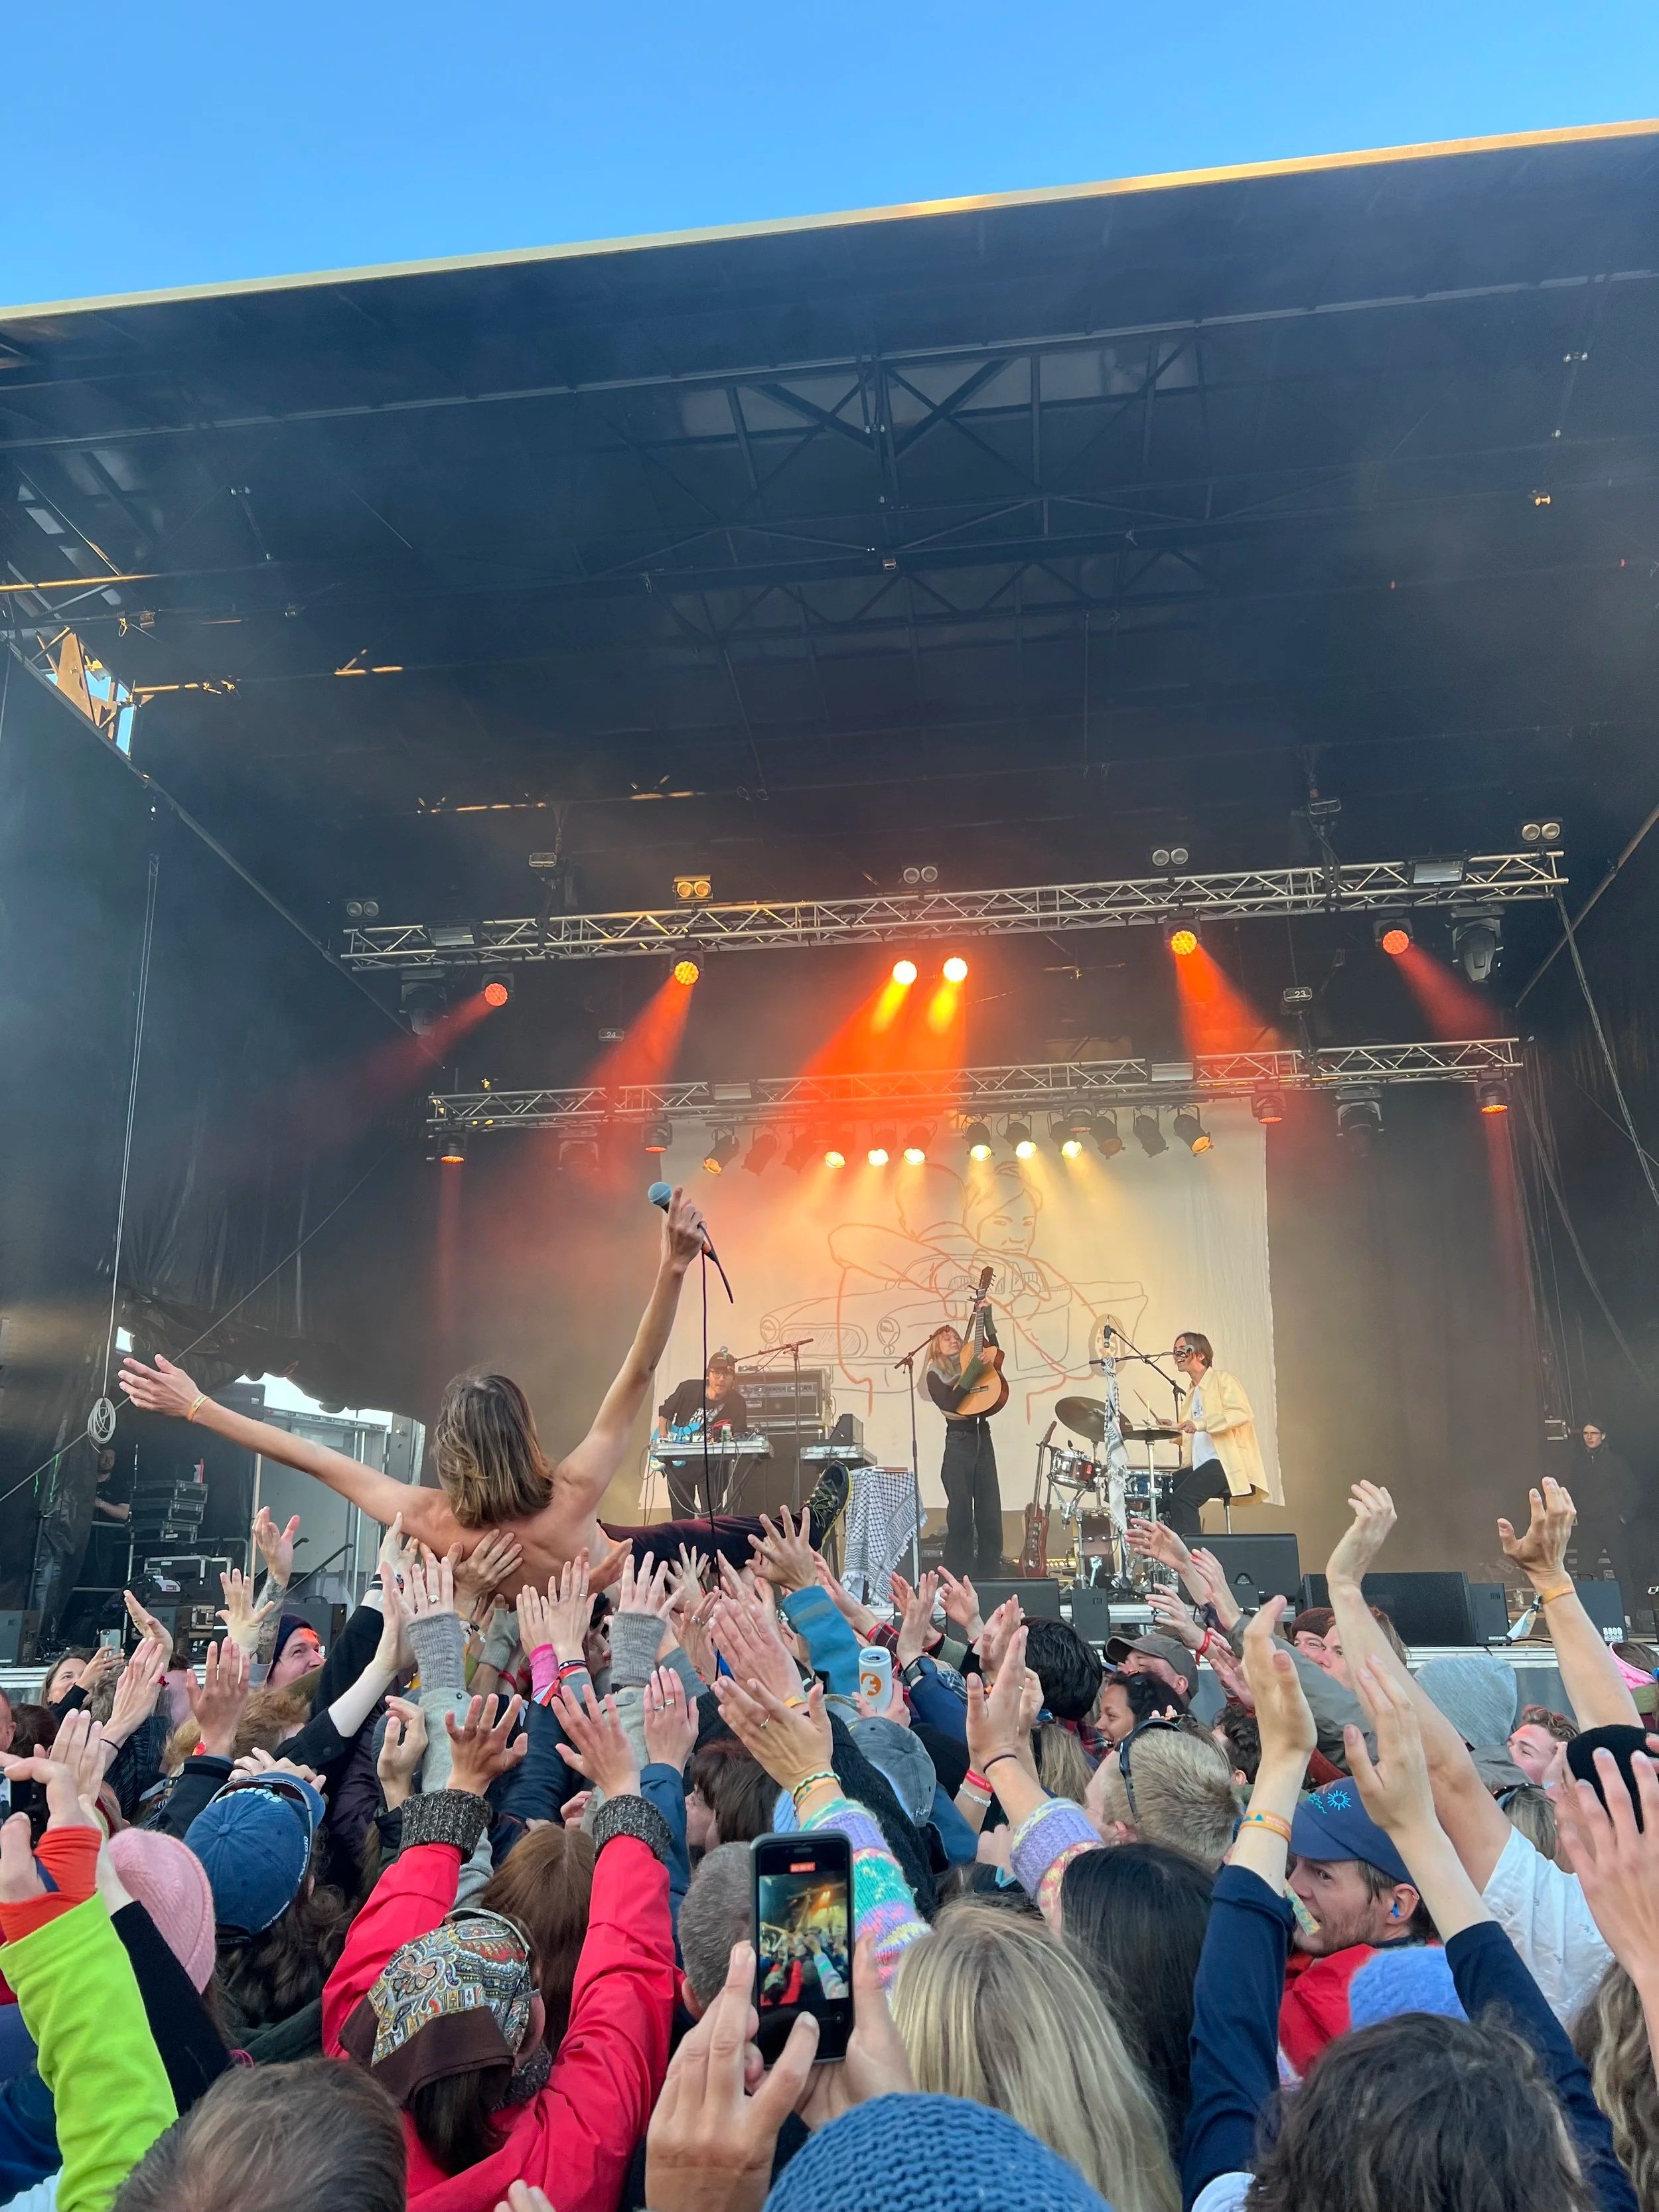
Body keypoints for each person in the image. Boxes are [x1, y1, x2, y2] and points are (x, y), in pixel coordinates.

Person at [118, 1191, 848, 1590]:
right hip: (598, 1578)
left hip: (537, 1634)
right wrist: (672, 1269)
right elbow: (638, 1371)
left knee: (690, 1536)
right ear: (522, 1432)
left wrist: (195, 1405)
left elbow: (310, 1455)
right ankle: (801, 1529)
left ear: (452, 1451)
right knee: (700, 1537)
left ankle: (794, 1529)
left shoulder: (431, 1518)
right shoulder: (571, 1492)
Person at [924, 1311, 1004, 1580]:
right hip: (958, 1441)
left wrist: (987, 1316)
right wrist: (972, 1372)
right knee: (960, 1519)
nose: (953, 1340)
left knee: (990, 1515)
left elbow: (995, 1349)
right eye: (946, 1338)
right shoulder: (934, 1373)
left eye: (956, 1336)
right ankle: (956, 1580)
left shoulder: (972, 1362)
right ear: (936, 1347)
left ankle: (990, 1580)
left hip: (983, 1436)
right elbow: (951, 1403)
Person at [1169, 1331, 1267, 1537]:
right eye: (1174, 1351)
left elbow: (1241, 1413)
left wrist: (1199, 1424)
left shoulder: (1223, 1380)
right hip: (1202, 1464)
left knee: (1183, 1499)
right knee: (1166, 1493)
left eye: (1183, 1350)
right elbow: (1192, 1432)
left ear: (1201, 1355)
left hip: (1224, 1462)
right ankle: (1169, 1552)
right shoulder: (1192, 1392)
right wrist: (1172, 1427)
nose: (1177, 1355)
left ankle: (1191, 1561)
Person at [1572, 1422, 1640, 1613]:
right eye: (1586, 1433)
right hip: (1588, 1525)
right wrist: (1575, 1515)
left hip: (1612, 1523)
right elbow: (1571, 1491)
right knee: (1584, 1572)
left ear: (1603, 1435)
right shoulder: (1577, 1465)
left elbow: (1633, 1491)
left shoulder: (1616, 1462)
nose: (1589, 1437)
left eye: (1594, 1433)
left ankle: (1628, 1616)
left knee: (1622, 1571)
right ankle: (1585, 1616)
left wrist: (1624, 1517)